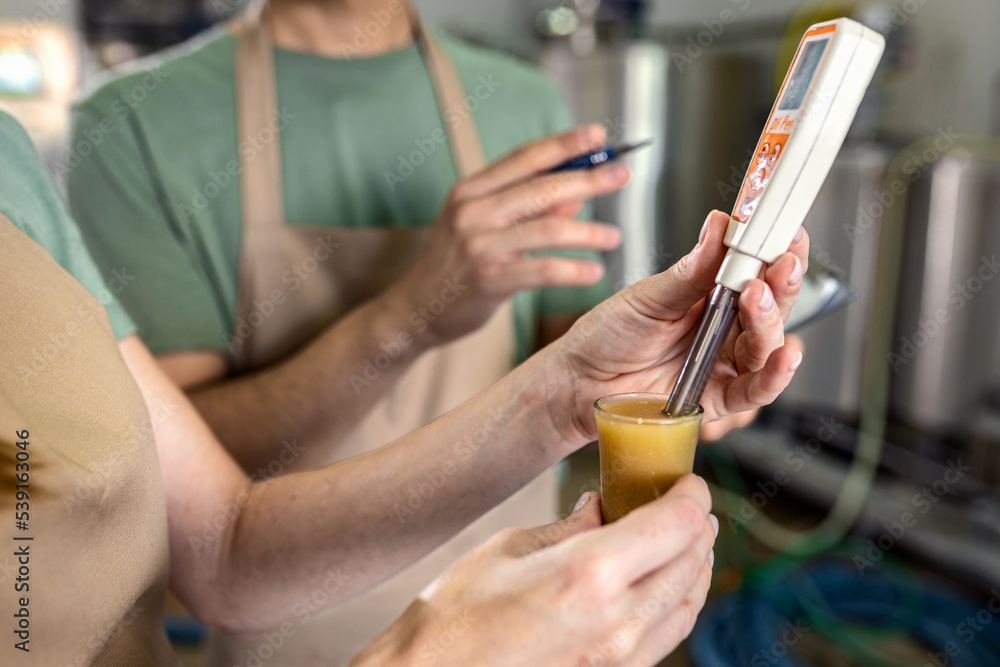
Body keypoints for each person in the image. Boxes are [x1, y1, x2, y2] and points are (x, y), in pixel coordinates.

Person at [0, 109, 807, 666]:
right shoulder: (142, 128)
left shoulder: (11, 167)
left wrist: (567, 390)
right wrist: (427, 651)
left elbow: (224, 547)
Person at [66, 1, 631, 658]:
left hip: (530, 628)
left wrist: (677, 363)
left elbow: (580, 369)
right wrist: (411, 313)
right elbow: (186, 473)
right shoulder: (134, 123)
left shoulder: (525, 105)